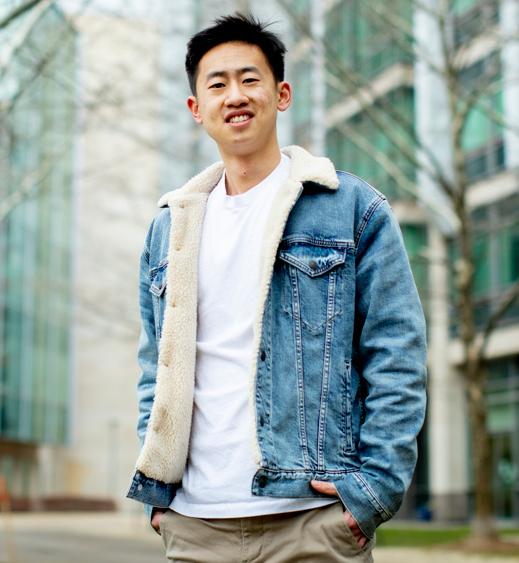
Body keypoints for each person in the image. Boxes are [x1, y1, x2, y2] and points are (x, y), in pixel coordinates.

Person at [126, 12, 427, 562]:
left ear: (281, 94)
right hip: (194, 523)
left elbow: (397, 355)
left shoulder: (353, 209)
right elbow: (156, 365)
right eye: (216, 84)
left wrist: (374, 489)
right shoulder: (170, 228)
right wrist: (157, 484)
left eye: (250, 78)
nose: (234, 94)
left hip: (310, 521)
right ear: (197, 109)